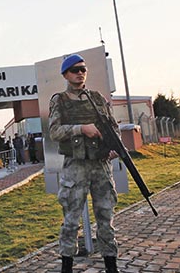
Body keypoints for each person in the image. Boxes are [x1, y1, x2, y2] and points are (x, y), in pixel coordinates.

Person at [48, 54, 120, 273]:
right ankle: (67, 267)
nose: (80, 73)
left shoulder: (97, 98)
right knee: (71, 221)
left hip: (100, 165)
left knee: (106, 218)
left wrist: (115, 147)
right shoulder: (59, 100)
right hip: (76, 166)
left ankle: (111, 266)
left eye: (83, 69)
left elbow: (112, 126)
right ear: (66, 75)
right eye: (75, 70)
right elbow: (54, 131)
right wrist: (81, 128)